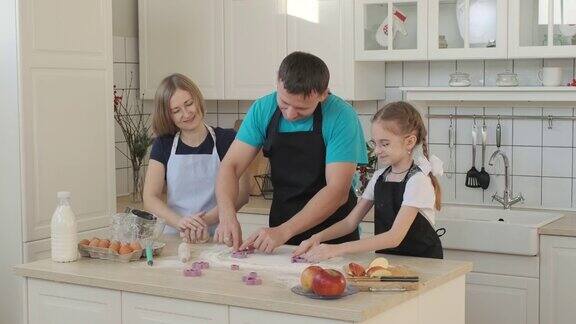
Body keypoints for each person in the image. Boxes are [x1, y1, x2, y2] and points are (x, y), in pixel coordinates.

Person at [215, 51, 368, 252]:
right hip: (280, 230)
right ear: (278, 81)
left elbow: (337, 191)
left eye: (302, 109)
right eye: (284, 103)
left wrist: (284, 231)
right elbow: (231, 166)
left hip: (332, 238)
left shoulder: (341, 116)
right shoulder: (263, 109)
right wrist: (226, 215)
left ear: (323, 94)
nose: (290, 114)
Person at [294, 101, 445, 261]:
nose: (377, 150)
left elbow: (394, 237)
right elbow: (350, 222)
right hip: (390, 261)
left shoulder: (417, 181)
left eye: (385, 144)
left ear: (409, 141)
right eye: (375, 143)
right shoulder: (380, 176)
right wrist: (316, 238)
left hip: (424, 263)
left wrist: (336, 249)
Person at [143, 73, 249, 243]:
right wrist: (181, 223)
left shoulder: (227, 139)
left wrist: (203, 222)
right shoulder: (163, 144)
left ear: (198, 99)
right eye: (176, 111)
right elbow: (150, 197)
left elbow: (242, 194)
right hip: (175, 237)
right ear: (168, 116)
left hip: (220, 235)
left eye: (189, 104)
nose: (186, 113)